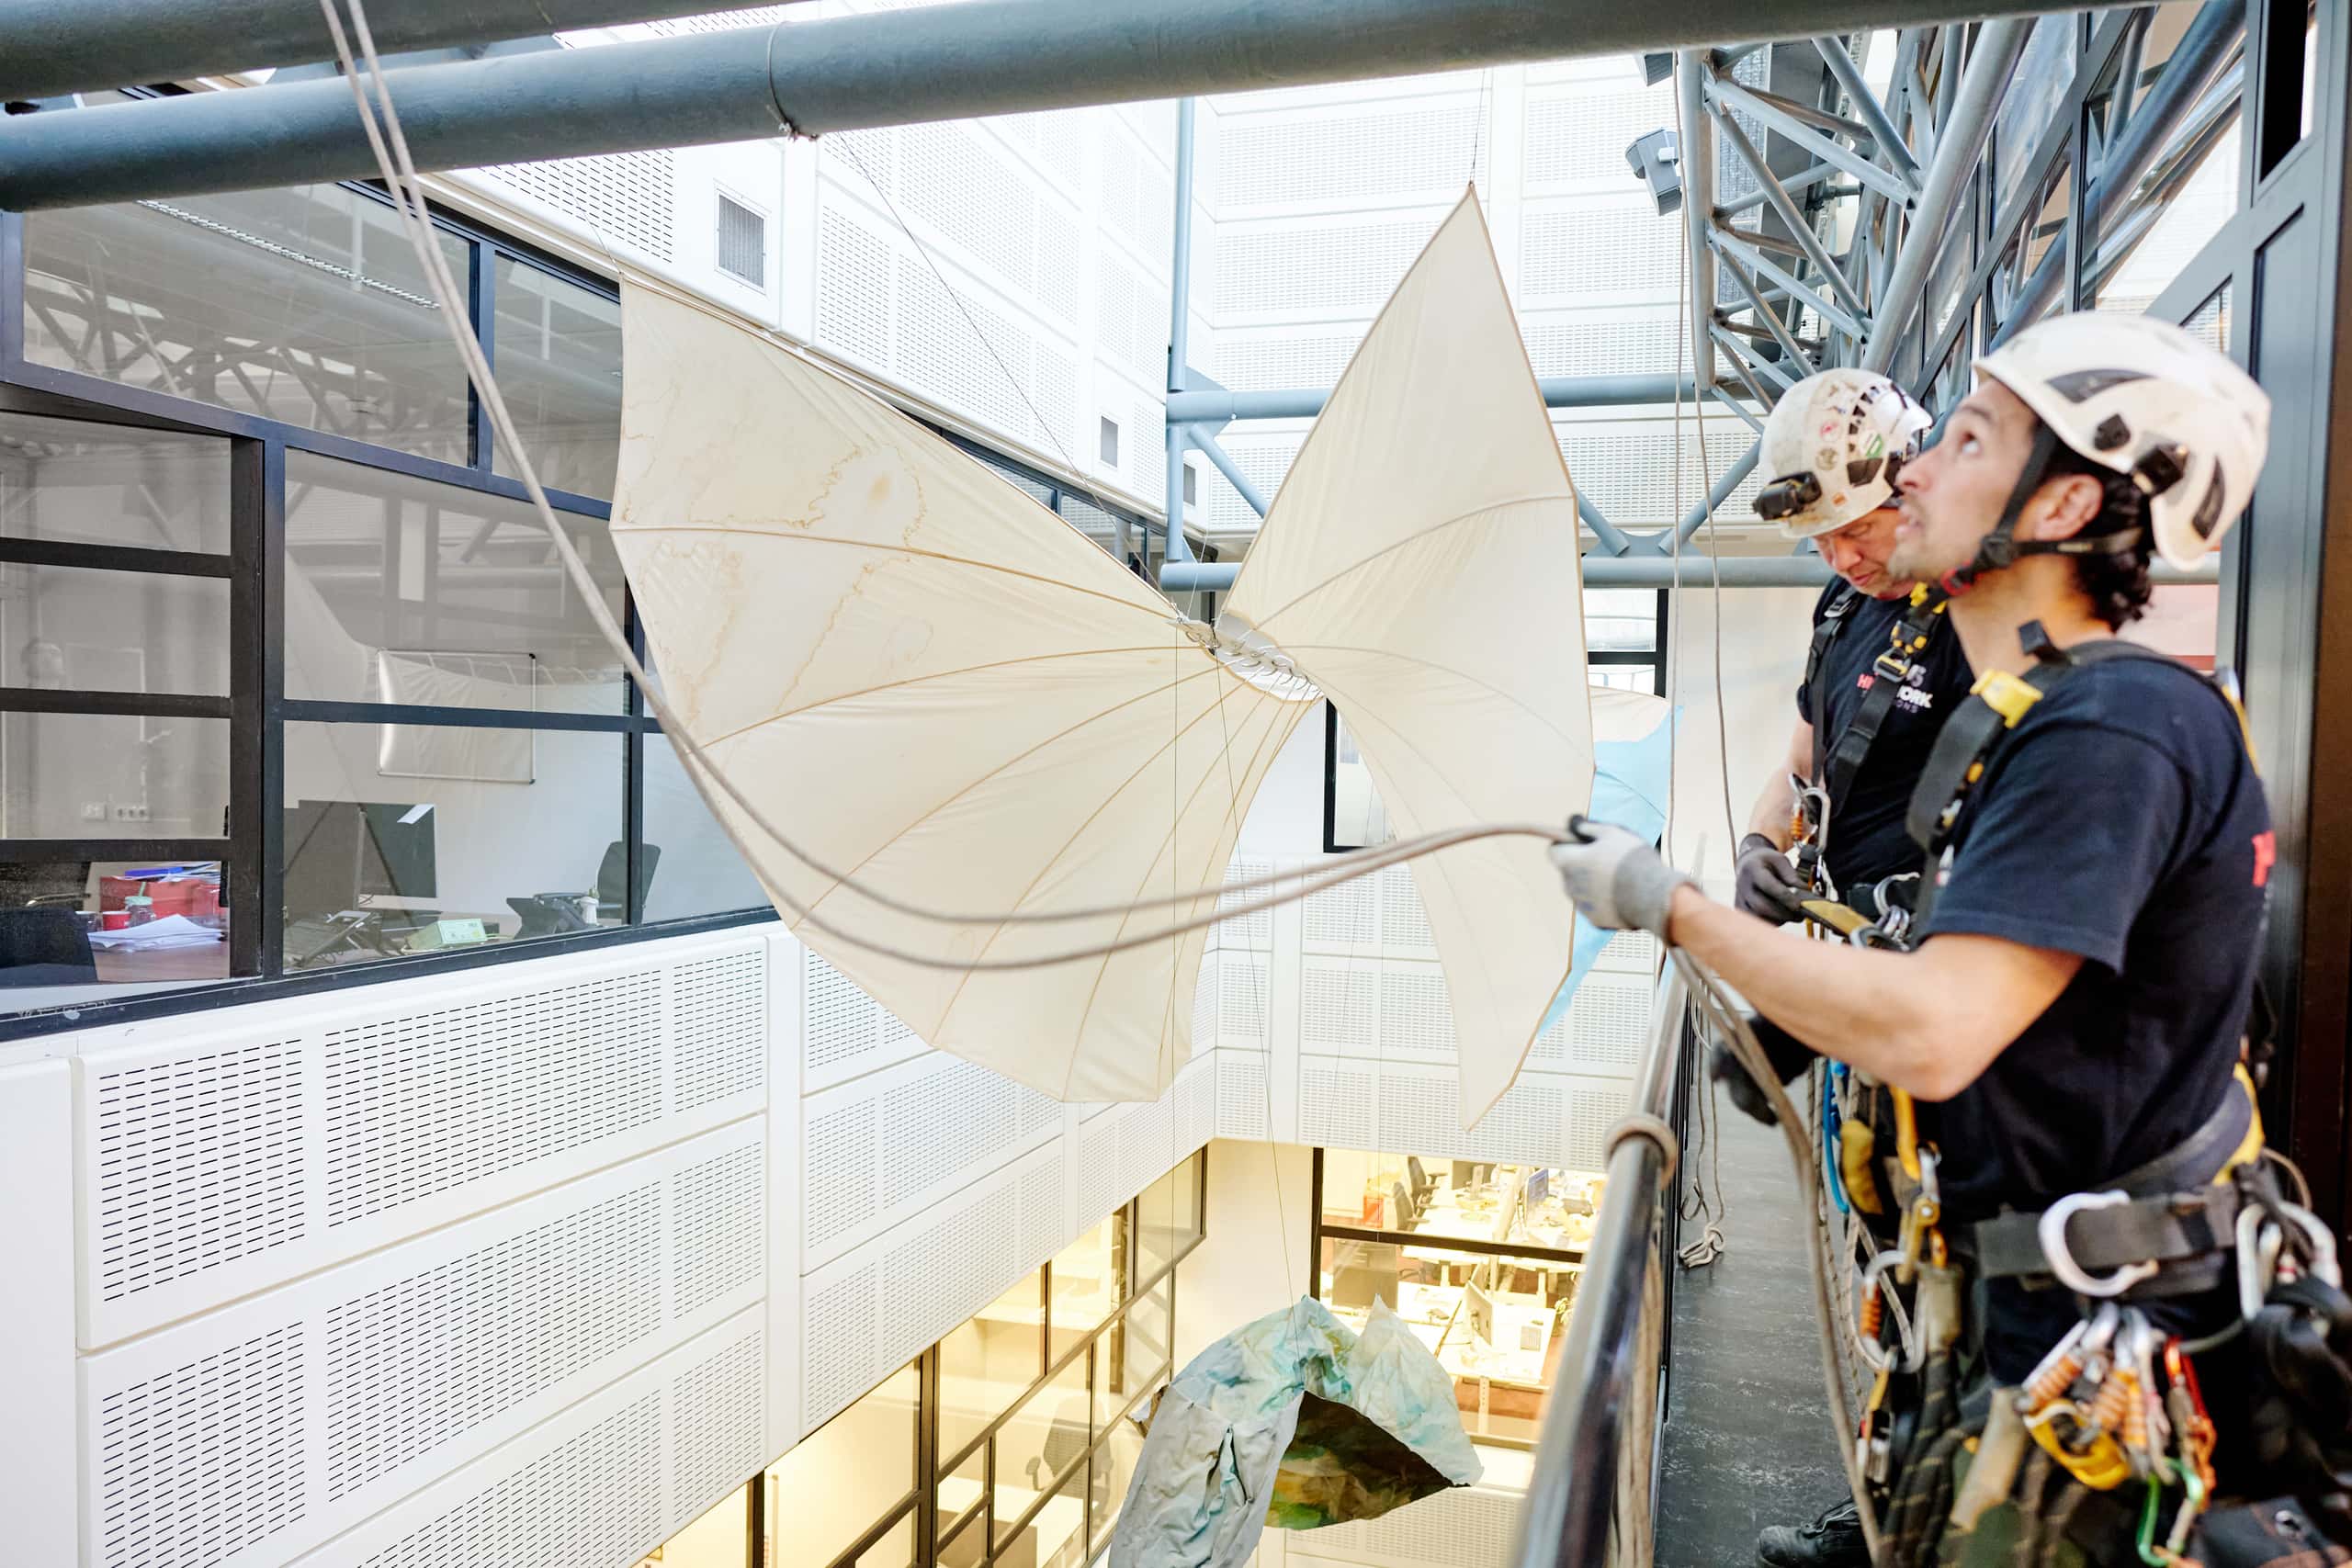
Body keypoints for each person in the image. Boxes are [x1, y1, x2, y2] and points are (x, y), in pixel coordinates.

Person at [1553, 314, 2308, 1562]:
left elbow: (1939, 1026)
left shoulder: (2114, 728)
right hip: (2032, 1315)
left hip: (2098, 1348)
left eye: (1963, 439)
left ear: (2062, 501)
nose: (1910, 475)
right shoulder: (2037, 717)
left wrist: (1672, 903)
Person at [1736, 368, 1967, 941]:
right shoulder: (1842, 605)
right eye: (1820, 542)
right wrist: (1759, 845)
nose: (1841, 560)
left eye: (1860, 530)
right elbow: (1801, 764)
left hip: (1946, 938)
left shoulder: (1974, 620)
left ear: (1915, 496)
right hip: (1863, 933)